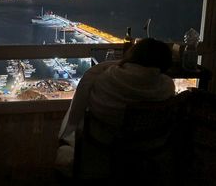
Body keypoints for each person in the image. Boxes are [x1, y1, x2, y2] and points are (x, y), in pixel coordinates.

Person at [54, 38, 175, 176]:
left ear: (133, 54)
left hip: (105, 145)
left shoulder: (106, 79)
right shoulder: (166, 87)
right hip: (149, 147)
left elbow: (88, 110)